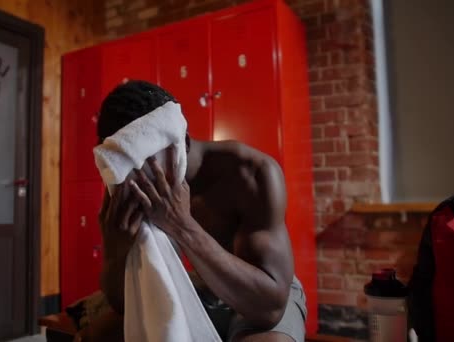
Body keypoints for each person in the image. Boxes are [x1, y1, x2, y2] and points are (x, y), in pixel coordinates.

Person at [94, 80, 306, 342]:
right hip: (200, 284)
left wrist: (182, 226)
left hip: (259, 290)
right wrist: (116, 251)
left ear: (182, 142)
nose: (139, 178)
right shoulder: (130, 185)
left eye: (149, 164)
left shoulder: (251, 173)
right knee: (100, 334)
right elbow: (122, 305)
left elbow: (269, 308)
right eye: (125, 167)